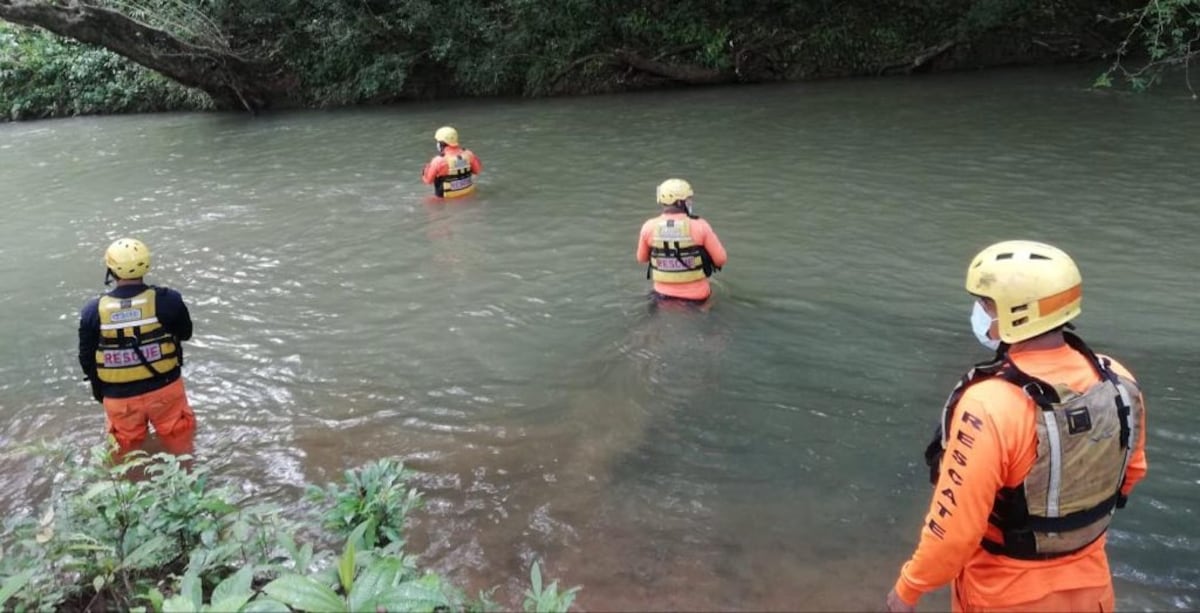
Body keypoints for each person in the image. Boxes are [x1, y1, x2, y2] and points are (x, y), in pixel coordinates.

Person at [887, 240, 1148, 612]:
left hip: (1004, 596)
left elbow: (954, 532)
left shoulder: (989, 405)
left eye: (985, 303)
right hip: (1093, 591)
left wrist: (907, 590)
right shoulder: (1118, 380)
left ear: (1016, 313)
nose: (978, 311)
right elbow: (1131, 472)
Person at [78, 238, 197, 460]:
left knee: (127, 457)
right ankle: (185, 489)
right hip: (165, 389)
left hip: (119, 399)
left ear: (111, 269)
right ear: (146, 265)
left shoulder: (93, 311)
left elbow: (87, 359)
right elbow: (186, 333)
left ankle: (133, 490)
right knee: (182, 450)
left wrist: (100, 392)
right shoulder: (168, 300)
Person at [635, 178, 728, 303]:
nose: (690, 202)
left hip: (661, 296)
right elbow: (721, 259)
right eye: (688, 199)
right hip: (698, 298)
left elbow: (642, 259)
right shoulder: (700, 225)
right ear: (679, 202)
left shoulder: (649, 226)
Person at [421, 126, 483, 199]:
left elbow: (428, 181)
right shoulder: (469, 154)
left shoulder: (438, 160)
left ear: (441, 143)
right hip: (468, 193)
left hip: (445, 199)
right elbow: (478, 171)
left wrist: (426, 169)